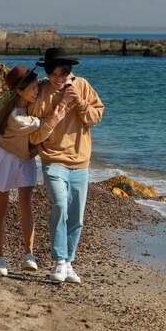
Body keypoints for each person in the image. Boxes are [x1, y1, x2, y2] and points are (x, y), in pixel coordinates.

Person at [29, 47, 105, 283]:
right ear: (47, 74)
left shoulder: (81, 85)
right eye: (54, 75)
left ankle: (69, 263)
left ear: (70, 73)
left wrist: (79, 103)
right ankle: (59, 261)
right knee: (60, 205)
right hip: (53, 159)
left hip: (81, 161)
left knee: (76, 216)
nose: (59, 79)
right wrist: (57, 112)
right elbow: (34, 136)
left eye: (63, 74)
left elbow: (96, 117)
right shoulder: (41, 93)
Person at [0, 65, 68, 277]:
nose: (35, 91)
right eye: (31, 89)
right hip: (5, 159)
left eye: (35, 86)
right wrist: (53, 118)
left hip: (26, 159)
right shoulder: (16, 117)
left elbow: (46, 85)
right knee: (1, 209)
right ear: (18, 91)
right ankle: (0, 258)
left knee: (26, 205)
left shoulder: (32, 100)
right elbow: (42, 124)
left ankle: (28, 254)